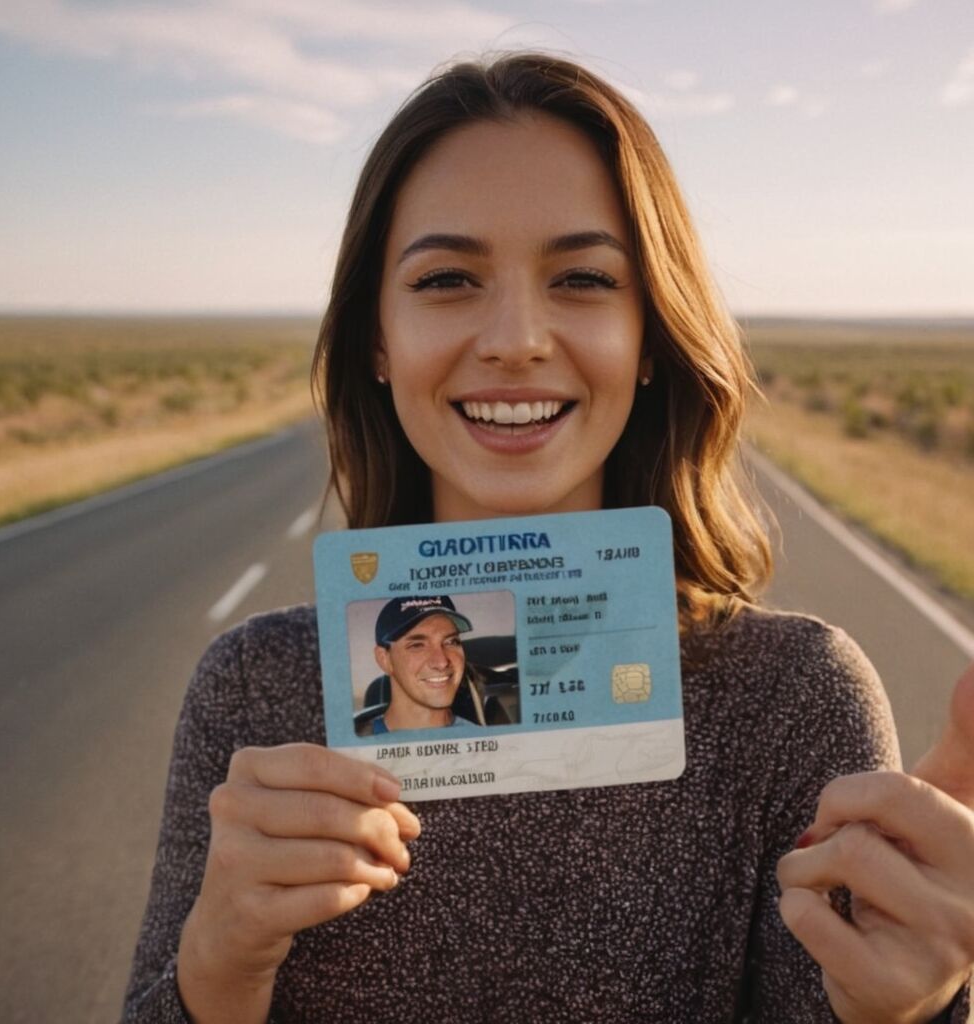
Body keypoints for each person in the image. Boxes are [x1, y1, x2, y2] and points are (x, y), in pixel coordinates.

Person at [123, 53, 974, 1023]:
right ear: (376, 338)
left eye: (581, 276)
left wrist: (910, 1008)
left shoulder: (791, 696)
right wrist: (216, 968)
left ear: (650, 332)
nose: (516, 336)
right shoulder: (253, 691)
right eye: (446, 279)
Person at [358, 595, 477, 735]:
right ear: (384, 660)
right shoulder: (353, 746)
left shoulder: (484, 742)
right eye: (417, 645)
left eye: (451, 642)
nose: (442, 662)